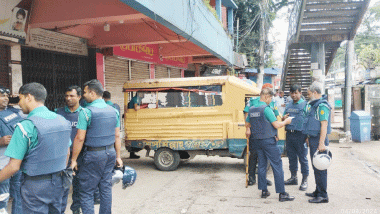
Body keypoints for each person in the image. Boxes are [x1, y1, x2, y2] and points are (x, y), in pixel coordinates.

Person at [0, 82, 71, 213]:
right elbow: (66, 153)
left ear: (29, 97)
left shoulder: (25, 126)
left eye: (20, 98)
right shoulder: (62, 120)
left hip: (35, 185)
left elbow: (13, 167)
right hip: (59, 182)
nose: (19, 104)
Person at [70, 79, 123, 214]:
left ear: (93, 93)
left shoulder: (86, 112)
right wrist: (118, 156)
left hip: (93, 155)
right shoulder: (113, 111)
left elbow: (80, 137)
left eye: (86, 92)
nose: (84, 95)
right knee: (105, 188)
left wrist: (74, 159)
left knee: (86, 191)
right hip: (110, 153)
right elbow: (117, 136)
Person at [245, 88, 295, 201]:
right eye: (271, 98)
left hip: (257, 141)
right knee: (277, 165)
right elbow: (276, 125)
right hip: (268, 141)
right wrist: (286, 122)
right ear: (266, 96)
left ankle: (264, 191)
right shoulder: (266, 109)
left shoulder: (252, 109)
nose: (271, 100)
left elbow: (247, 123)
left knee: (262, 165)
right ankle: (282, 194)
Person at [56, 85, 91, 214]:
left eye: (72, 96)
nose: (68, 98)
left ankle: (76, 209)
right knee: (62, 185)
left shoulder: (85, 113)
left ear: (79, 97)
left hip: (80, 155)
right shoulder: (58, 113)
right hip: (63, 155)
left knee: (78, 185)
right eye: (66, 96)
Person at [244, 83, 280, 186]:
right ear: (263, 92)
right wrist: (248, 128)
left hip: (268, 134)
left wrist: (276, 133)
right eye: (267, 91)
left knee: (265, 158)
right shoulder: (253, 101)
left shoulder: (273, 102)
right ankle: (251, 177)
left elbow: (275, 118)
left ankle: (263, 179)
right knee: (254, 155)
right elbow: (247, 114)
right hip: (255, 133)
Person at [303, 81, 331, 203]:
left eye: (309, 94)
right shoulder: (314, 105)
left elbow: (324, 125)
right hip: (313, 138)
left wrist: (321, 143)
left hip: (319, 140)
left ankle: (323, 195)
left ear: (315, 92)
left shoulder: (322, 106)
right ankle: (317, 191)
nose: (308, 96)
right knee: (316, 166)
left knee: (320, 167)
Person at [0, 86, 24, 213]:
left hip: (16, 162)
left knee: (19, 195)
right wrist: (0, 141)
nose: (4, 98)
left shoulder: (14, 112)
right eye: (1, 96)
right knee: (2, 198)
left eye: (6, 96)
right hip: (2, 165)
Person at [282, 84, 309, 191]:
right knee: (291, 157)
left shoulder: (306, 105)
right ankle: (294, 178)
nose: (293, 95)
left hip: (301, 135)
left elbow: (309, 121)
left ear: (300, 93)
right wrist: (283, 118)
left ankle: (305, 180)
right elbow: (283, 117)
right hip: (290, 134)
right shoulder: (288, 105)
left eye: (296, 93)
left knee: (302, 158)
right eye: (292, 93)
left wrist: (308, 136)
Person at [126, 92, 145, 159]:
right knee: (133, 135)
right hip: (132, 118)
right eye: (143, 93)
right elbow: (136, 108)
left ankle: (132, 153)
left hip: (134, 118)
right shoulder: (136, 99)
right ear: (139, 93)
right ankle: (132, 153)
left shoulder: (138, 99)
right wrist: (144, 106)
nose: (144, 94)